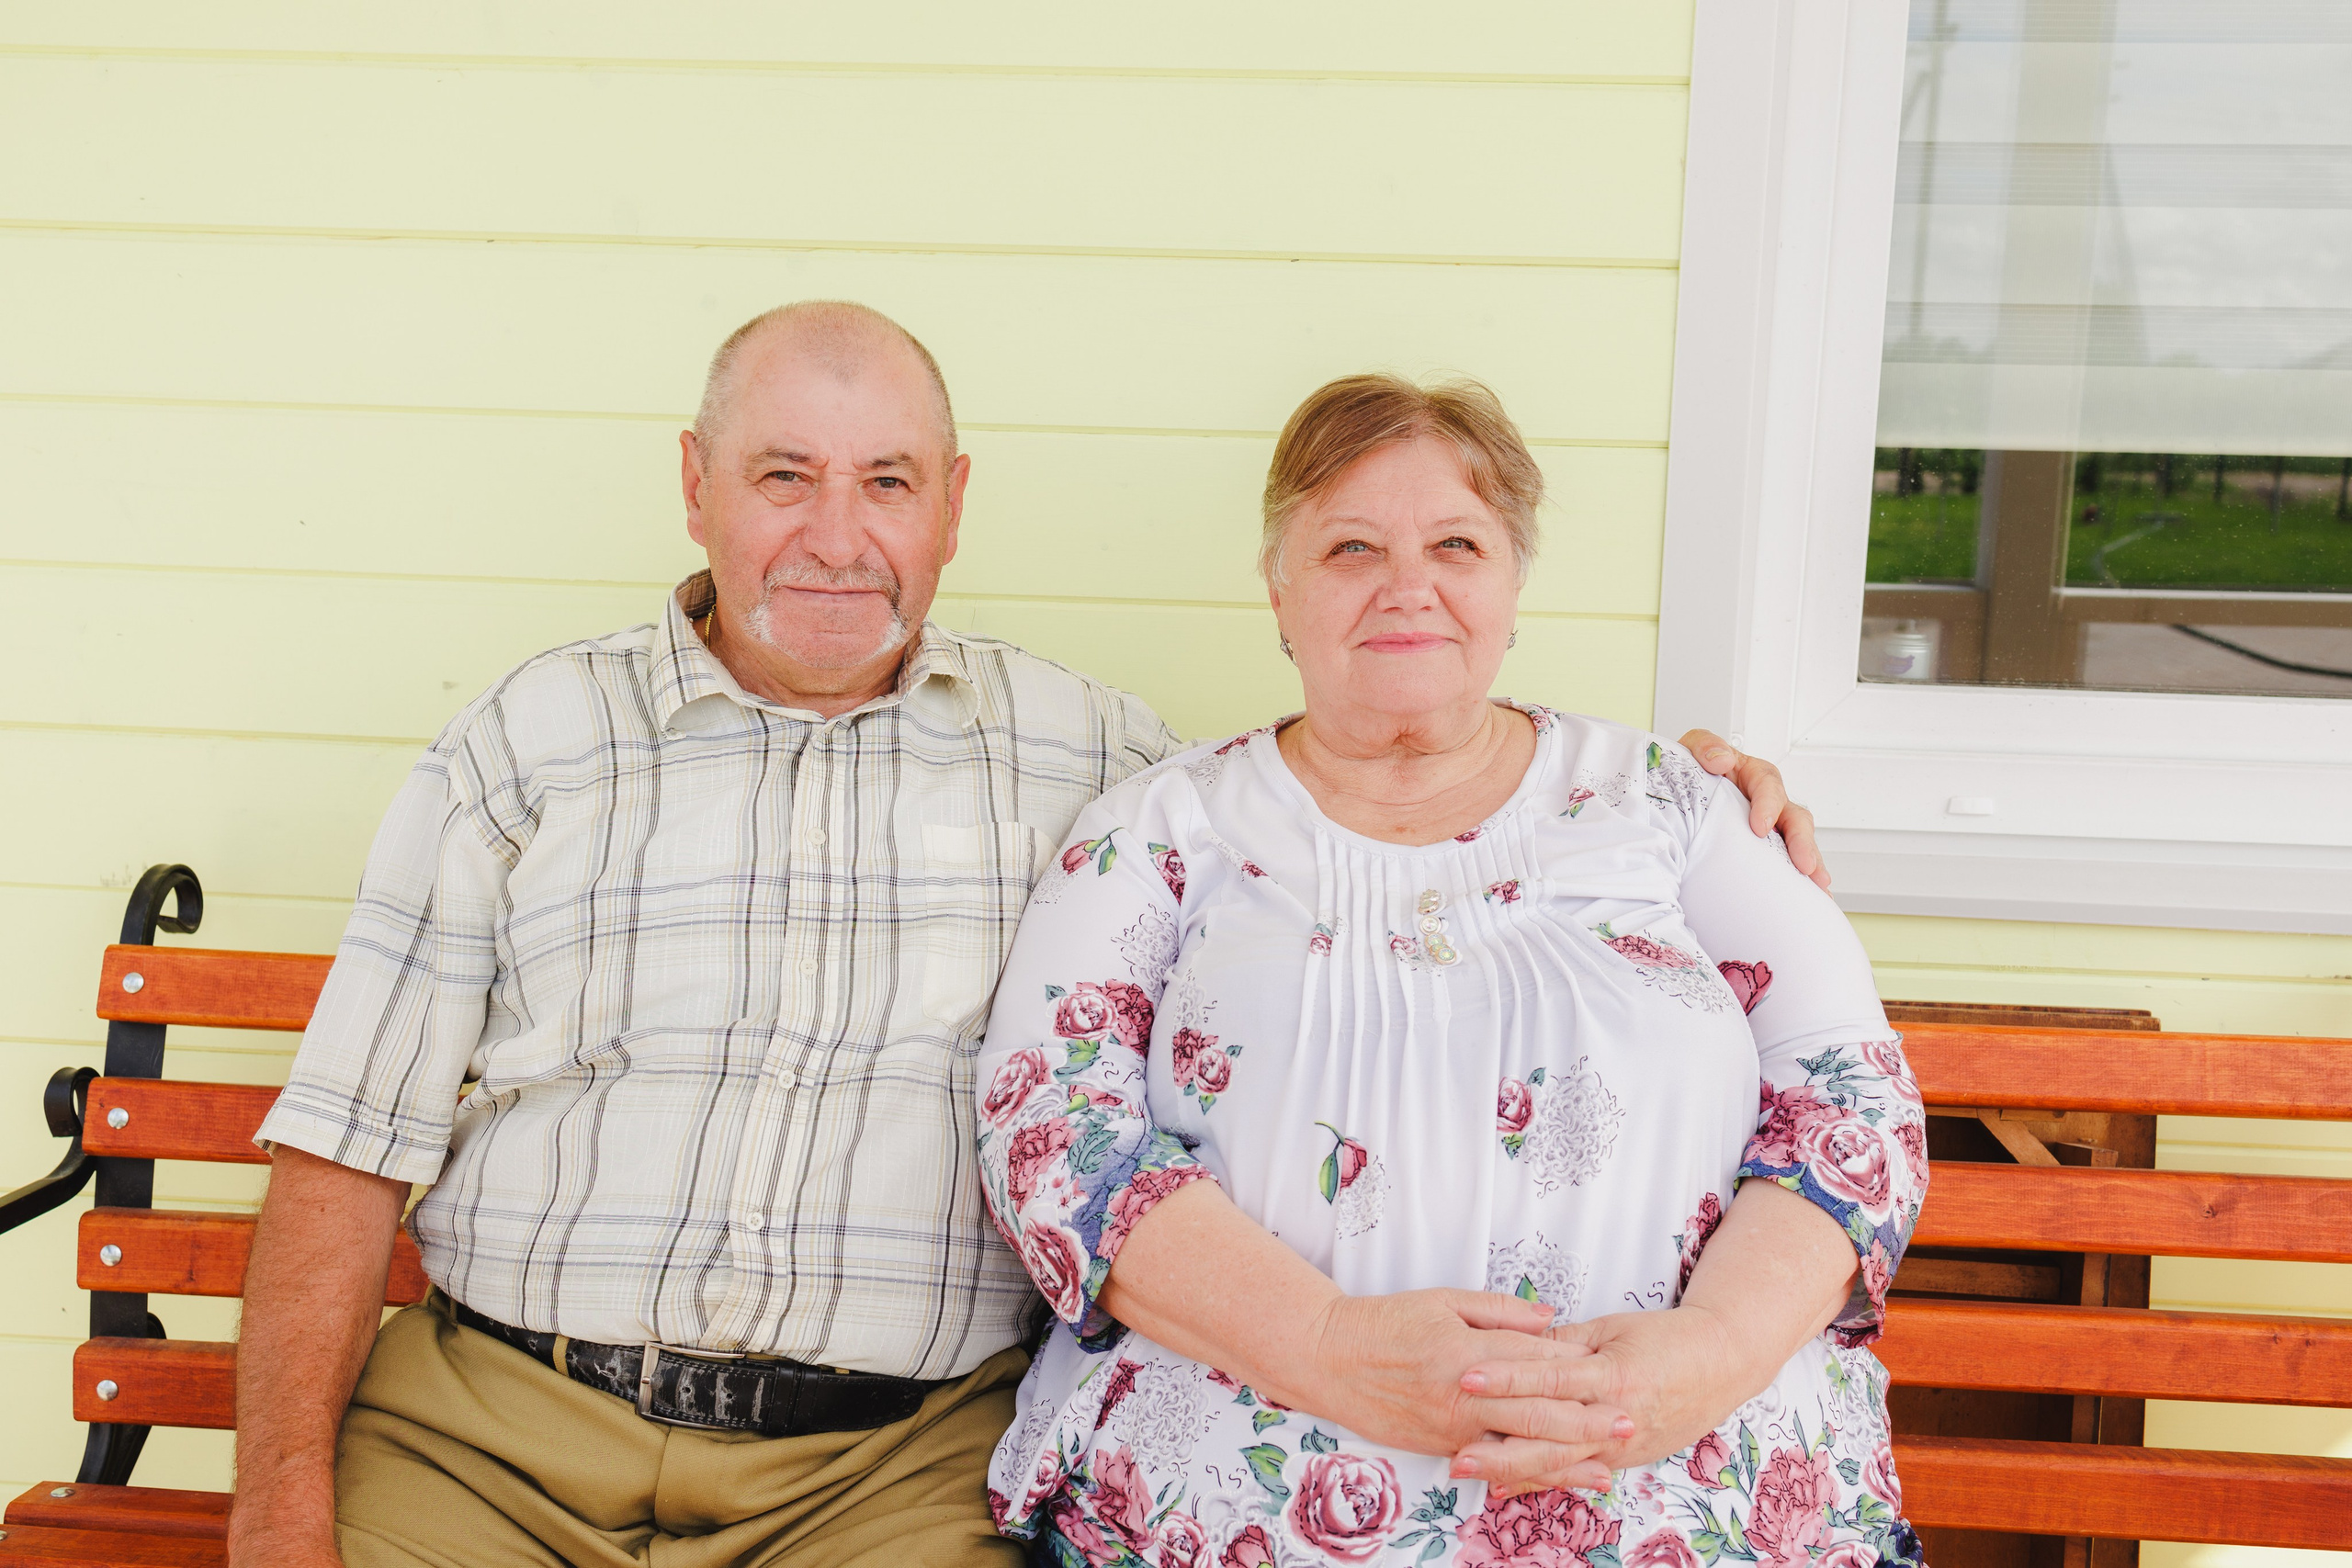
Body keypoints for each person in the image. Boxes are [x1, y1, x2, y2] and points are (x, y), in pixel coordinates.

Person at [227, 302, 1824, 1568]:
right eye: (784, 476)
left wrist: (1692, 812)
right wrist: (273, 1518)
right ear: (697, 483)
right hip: (496, 1432)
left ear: (956, 504)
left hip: (874, 1477)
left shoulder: (1093, 765)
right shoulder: (532, 741)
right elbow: (345, 1147)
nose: (836, 536)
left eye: (889, 482)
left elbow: (1370, 792)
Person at [975, 374, 1928, 1567]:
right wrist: (1326, 1345)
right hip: (1243, 1503)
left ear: (1512, 581)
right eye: (1351, 546)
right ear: (1279, 587)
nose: (1406, 584)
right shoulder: (1161, 830)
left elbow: (1851, 1098)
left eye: (1456, 543)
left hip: (1692, 1484)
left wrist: (1709, 1357)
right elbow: (1051, 1132)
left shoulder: (1675, 807)